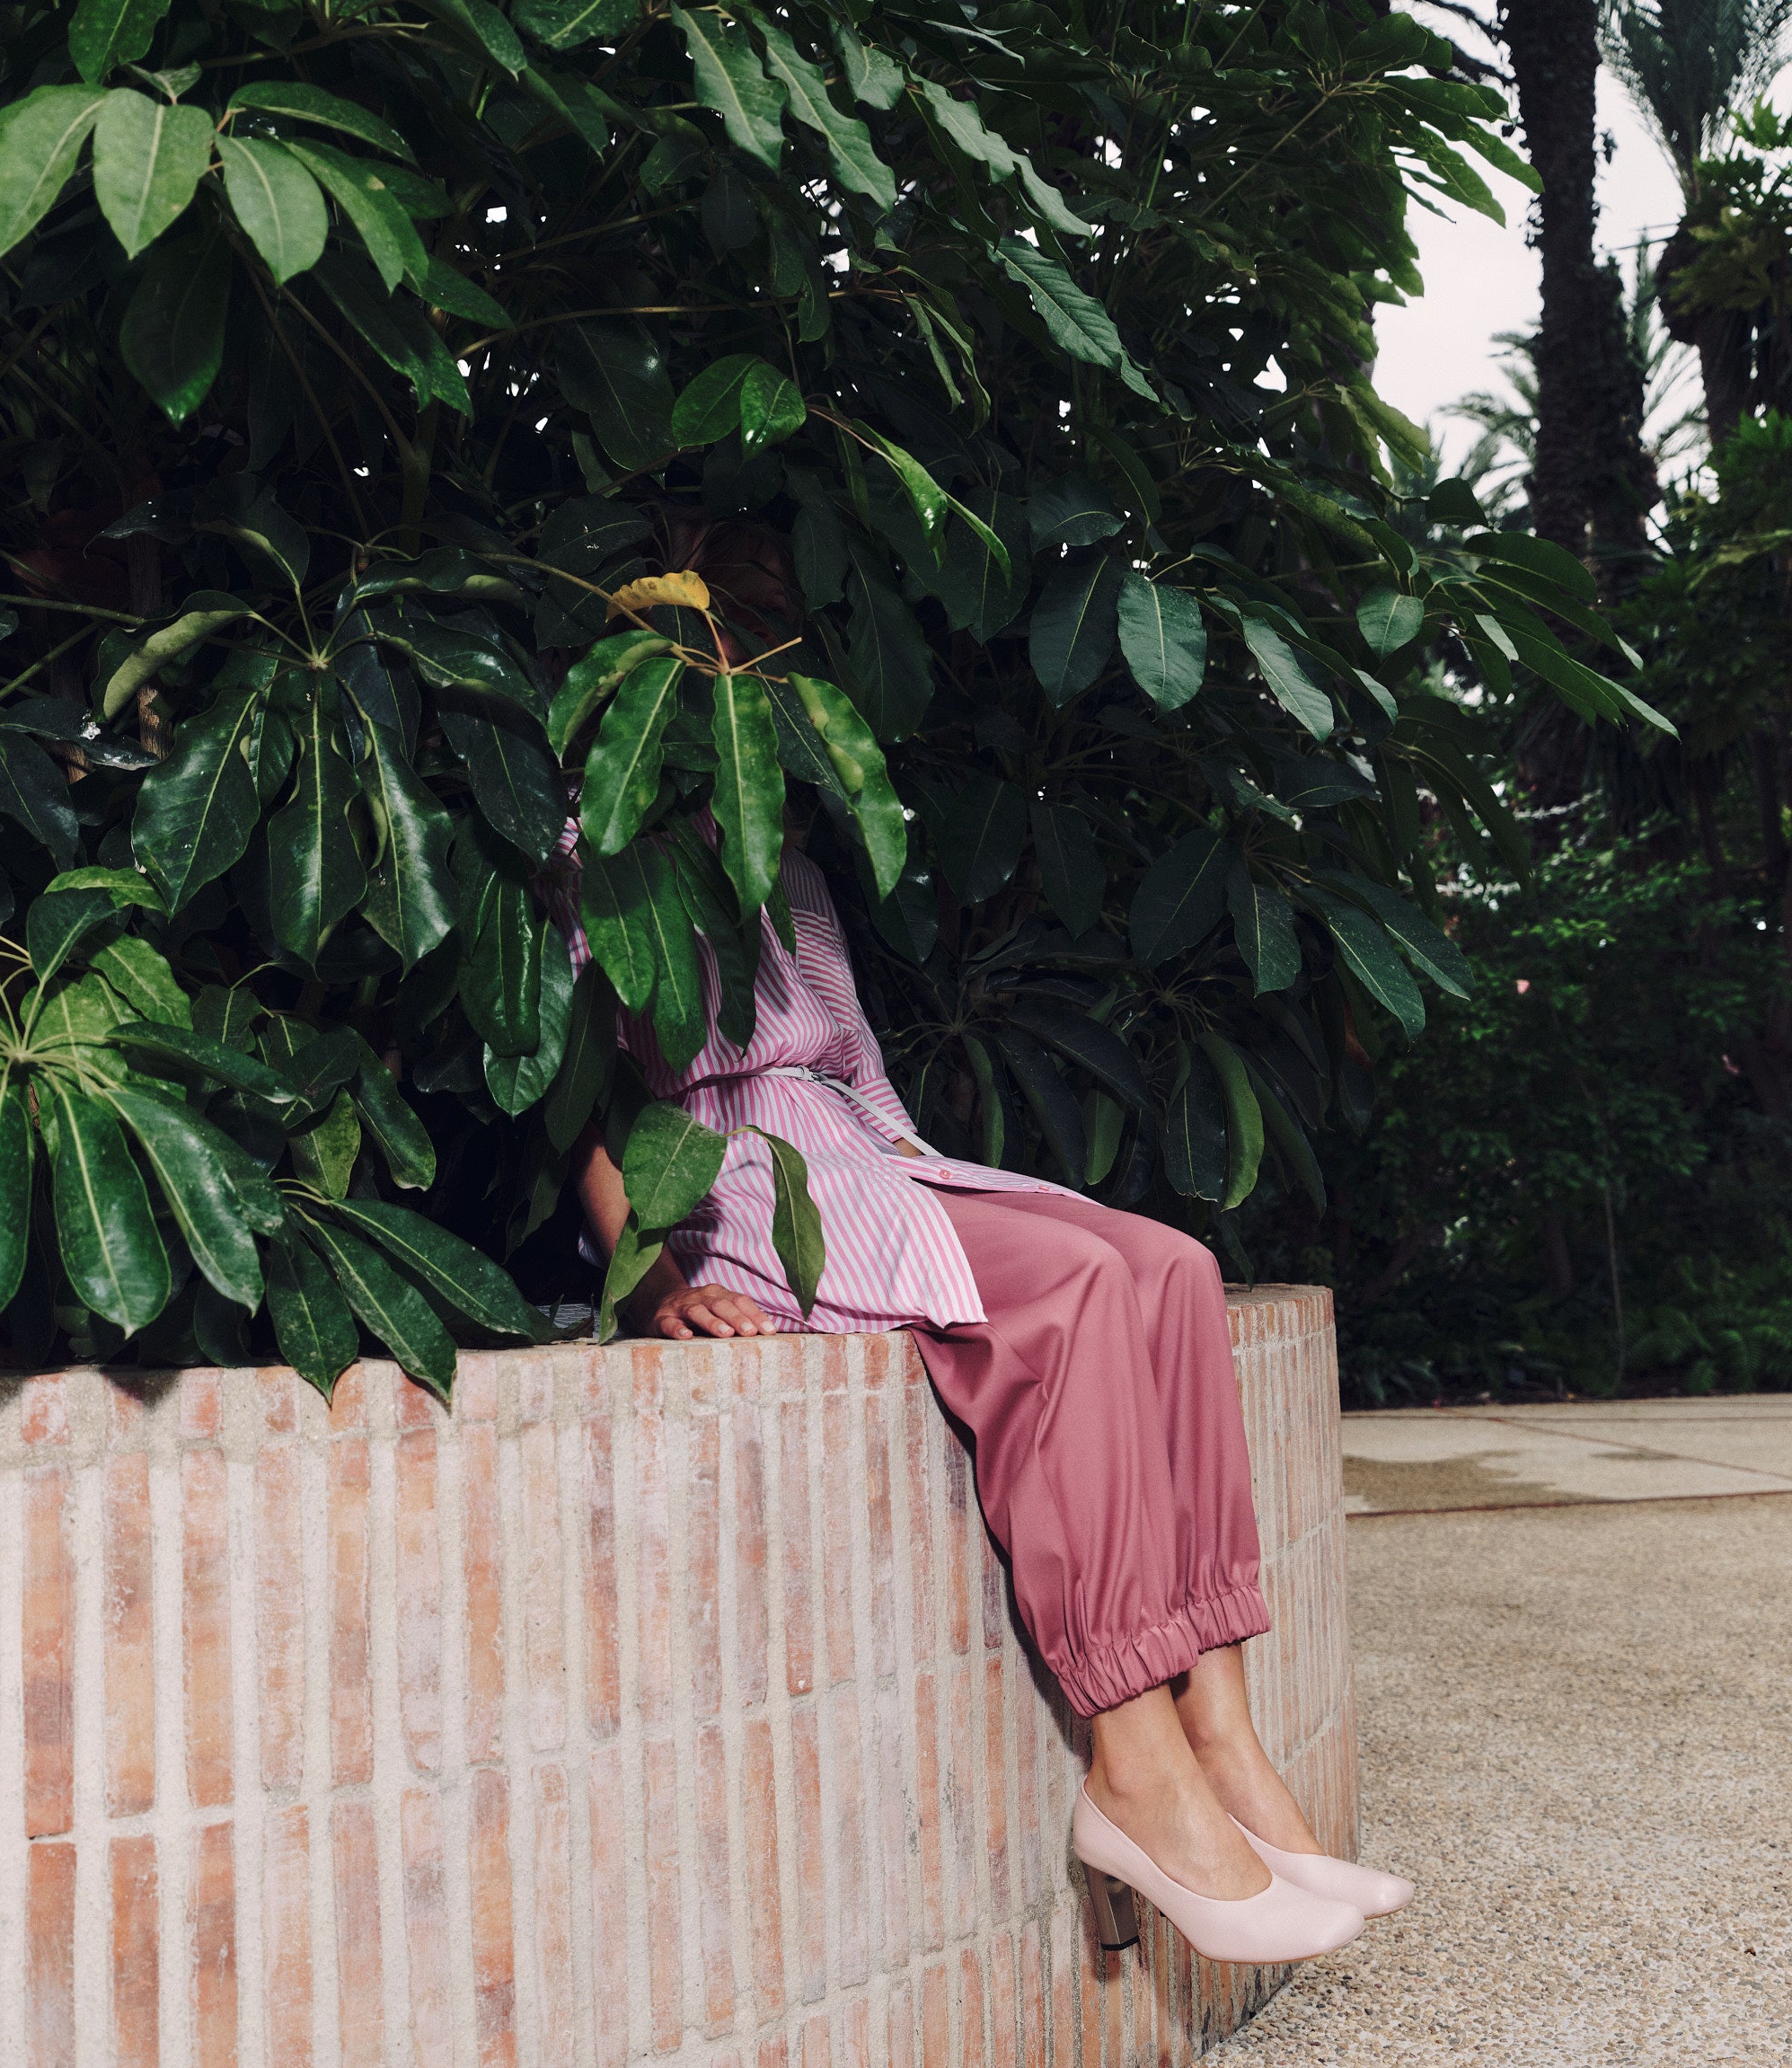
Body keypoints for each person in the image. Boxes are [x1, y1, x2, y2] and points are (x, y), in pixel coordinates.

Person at [568, 818, 1412, 1965]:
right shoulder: (586, 850)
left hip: (871, 1155)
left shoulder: (781, 847)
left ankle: (1219, 1734)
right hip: (742, 1180)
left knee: (1173, 1269)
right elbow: (576, 1101)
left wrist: (942, 1190)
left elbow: (859, 1070)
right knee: (1065, 1293)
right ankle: (1133, 1762)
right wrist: (654, 1283)